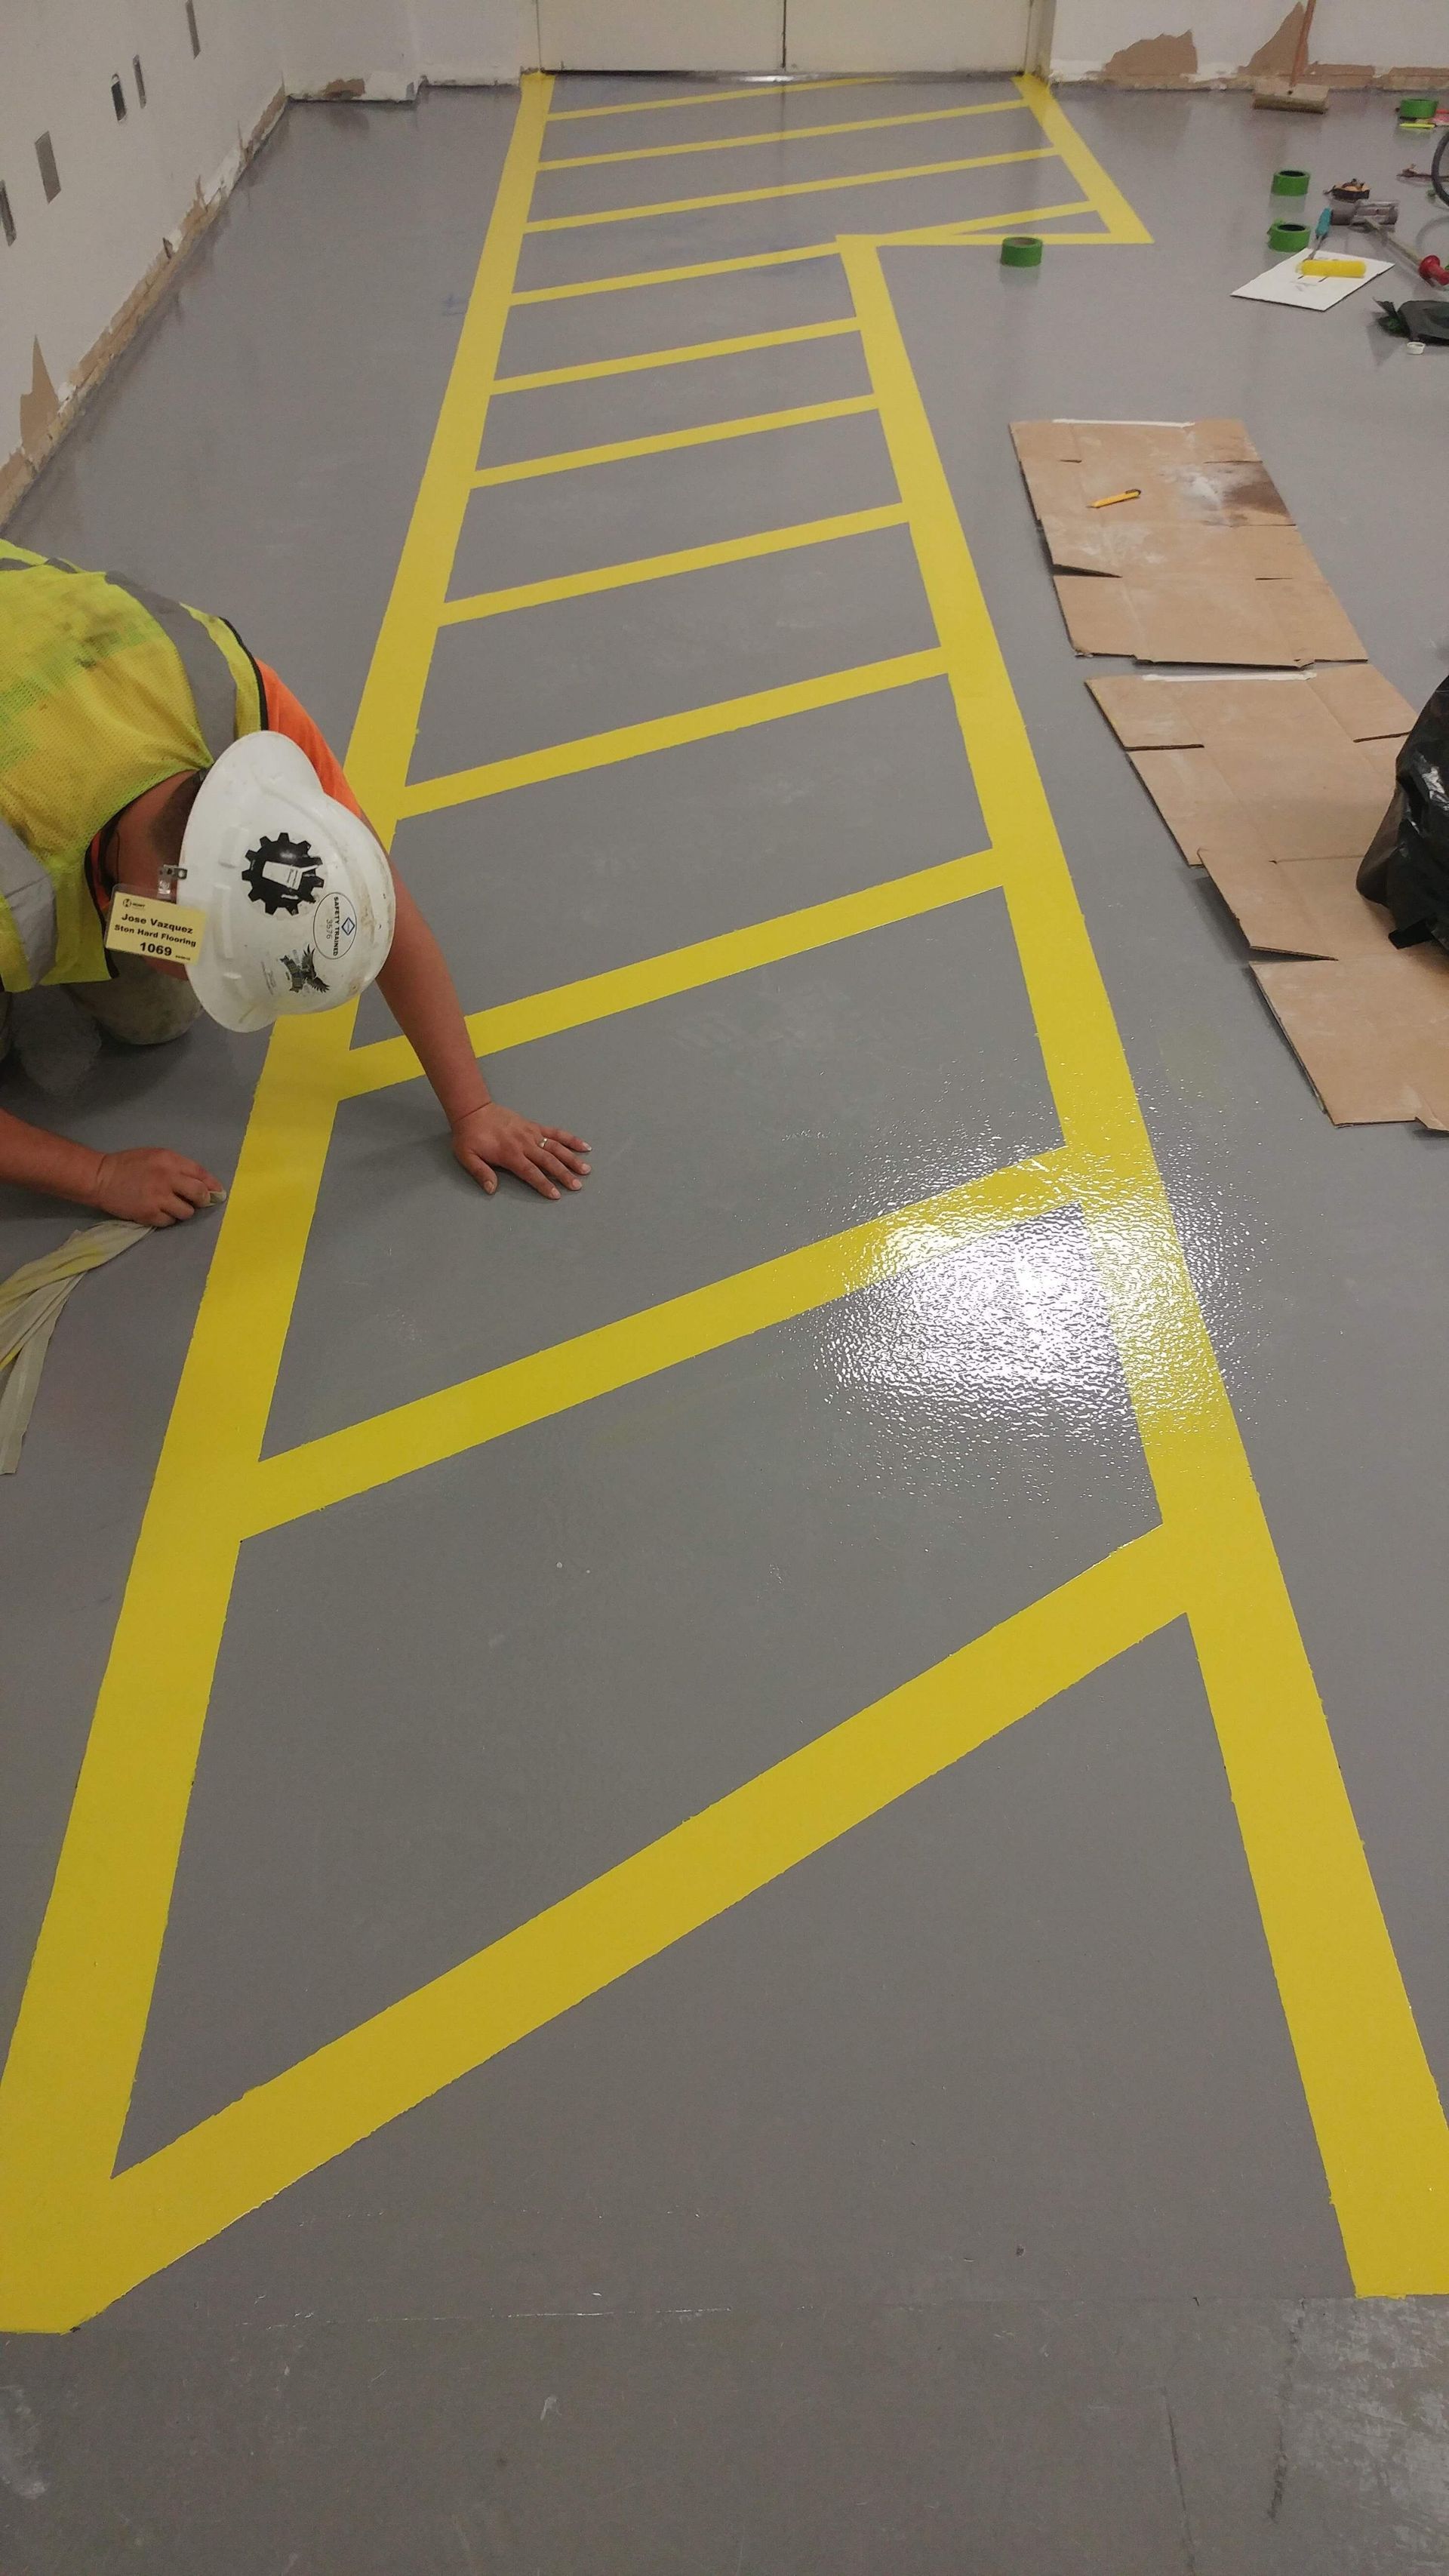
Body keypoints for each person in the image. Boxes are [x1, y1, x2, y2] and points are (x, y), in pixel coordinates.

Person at [0, 538, 589, 1226]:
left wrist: (474, 1107)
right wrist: (98, 1175)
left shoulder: (243, 717)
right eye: (197, 955)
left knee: (160, 1013)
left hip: (54, 662)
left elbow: (376, 900)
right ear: (159, 898)